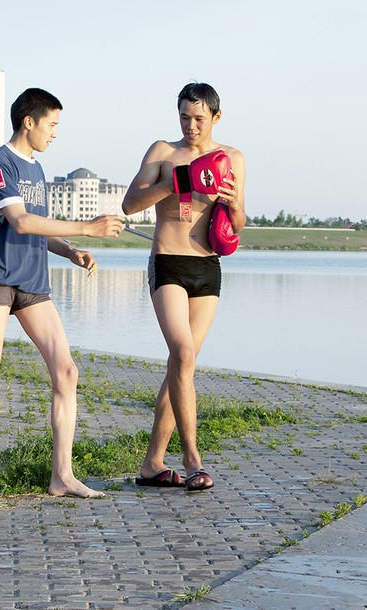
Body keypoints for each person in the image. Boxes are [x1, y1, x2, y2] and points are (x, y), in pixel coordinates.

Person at [0, 88, 124, 497]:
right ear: (28, 121)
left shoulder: (37, 170)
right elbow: (20, 221)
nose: (55, 133)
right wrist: (88, 227)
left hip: (33, 282)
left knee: (67, 372)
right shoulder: (0, 163)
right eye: (52, 125)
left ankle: (61, 476)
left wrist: (71, 251)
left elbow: (40, 228)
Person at [121, 82, 246, 492]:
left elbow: (239, 224)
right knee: (184, 352)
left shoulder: (233, 159)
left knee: (182, 366)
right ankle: (193, 459)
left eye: (198, 118)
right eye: (183, 117)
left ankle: (152, 464)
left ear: (215, 117)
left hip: (207, 267)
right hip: (168, 262)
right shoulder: (161, 152)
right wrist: (175, 182)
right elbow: (130, 204)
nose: (190, 126)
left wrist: (232, 206)